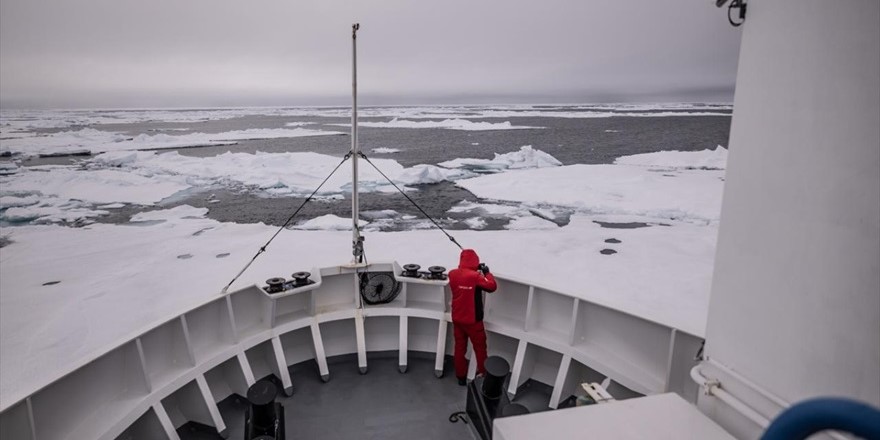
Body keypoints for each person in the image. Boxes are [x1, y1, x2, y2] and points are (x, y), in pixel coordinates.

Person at [448, 248, 497, 385]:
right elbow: (492, 286)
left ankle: (460, 377)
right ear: (475, 261)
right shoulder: (475, 277)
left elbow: (463, 276)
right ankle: (483, 376)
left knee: (459, 347)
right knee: (480, 348)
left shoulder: (452, 274)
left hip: (457, 319)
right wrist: (486, 272)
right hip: (473, 322)